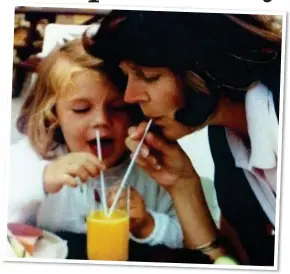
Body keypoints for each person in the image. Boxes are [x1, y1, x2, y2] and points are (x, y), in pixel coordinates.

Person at [83, 10, 282, 265]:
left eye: (147, 76)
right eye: (128, 77)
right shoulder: (226, 139)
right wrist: (182, 185)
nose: (130, 96)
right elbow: (231, 264)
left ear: (207, 67)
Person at [8, 39, 190, 249]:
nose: (101, 120)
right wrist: (41, 180)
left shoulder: (153, 168)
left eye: (117, 107)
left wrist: (148, 225)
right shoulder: (34, 157)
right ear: (53, 114)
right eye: (81, 109)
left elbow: (188, 239)